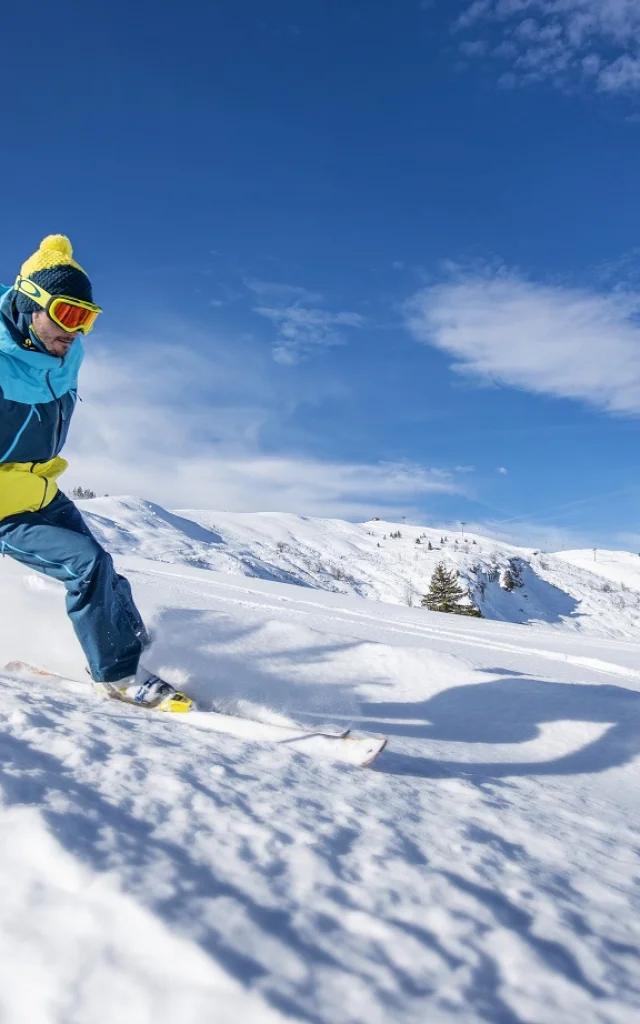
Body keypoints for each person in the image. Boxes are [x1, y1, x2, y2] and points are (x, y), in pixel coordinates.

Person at [0, 234, 185, 709]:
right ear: (29, 305)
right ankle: (120, 677)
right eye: (67, 314)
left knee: (107, 573)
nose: (75, 331)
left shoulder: (66, 353)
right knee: (87, 567)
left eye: (87, 319)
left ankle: (135, 650)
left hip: (40, 489)